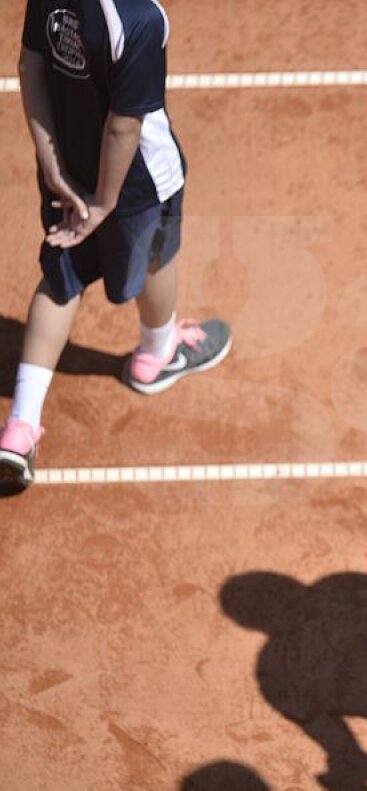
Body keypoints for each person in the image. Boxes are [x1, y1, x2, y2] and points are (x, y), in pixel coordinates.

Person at [0, 0, 231, 489]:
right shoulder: (140, 19)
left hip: (65, 169)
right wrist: (104, 205)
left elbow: (32, 65)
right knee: (154, 258)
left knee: (60, 279)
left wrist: (51, 164)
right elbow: (125, 125)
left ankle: (20, 428)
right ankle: (156, 355)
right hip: (134, 185)